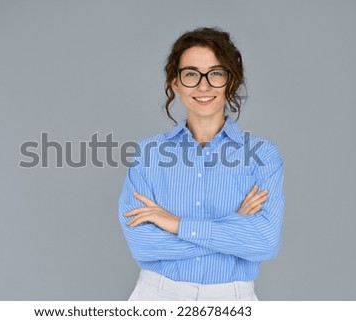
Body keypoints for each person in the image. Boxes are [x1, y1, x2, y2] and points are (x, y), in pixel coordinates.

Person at [118, 27, 284, 301]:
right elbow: (143, 246)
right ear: (176, 83)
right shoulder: (149, 153)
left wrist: (175, 224)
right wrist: (233, 225)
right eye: (191, 74)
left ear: (231, 82)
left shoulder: (262, 155)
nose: (203, 86)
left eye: (216, 73)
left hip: (232, 301)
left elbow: (265, 243)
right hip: (157, 297)